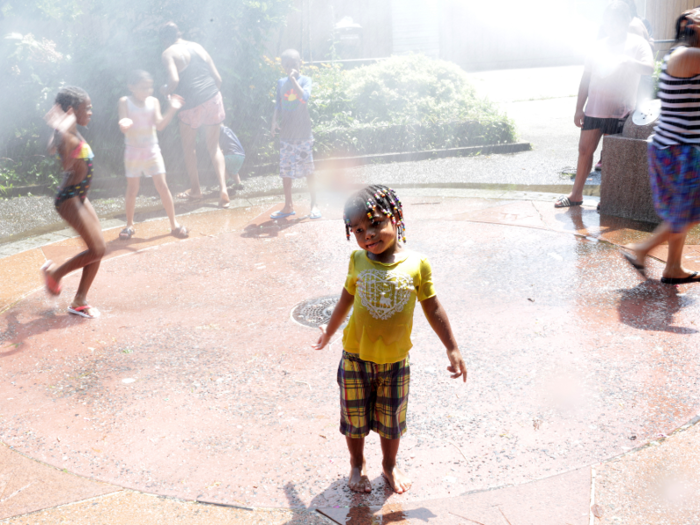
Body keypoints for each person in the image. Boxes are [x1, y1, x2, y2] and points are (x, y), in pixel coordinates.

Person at [312, 185, 467, 494]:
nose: (368, 234)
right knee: (354, 419)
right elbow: (344, 300)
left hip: (396, 362)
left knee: (391, 420)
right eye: (358, 229)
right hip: (355, 357)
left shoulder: (417, 264)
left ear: (396, 218)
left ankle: (389, 465)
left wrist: (452, 348)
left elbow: (433, 306)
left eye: (375, 223)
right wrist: (329, 331)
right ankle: (357, 464)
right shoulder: (357, 260)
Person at [623, 9, 700, 284]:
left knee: (681, 211)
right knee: (689, 211)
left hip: (670, 147)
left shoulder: (681, 53)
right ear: (693, 27)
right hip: (680, 150)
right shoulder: (689, 56)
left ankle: (673, 267)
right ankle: (640, 249)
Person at [555, 0, 653, 208]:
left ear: (626, 21)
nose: (612, 24)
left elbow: (649, 68)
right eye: (608, 20)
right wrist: (578, 108)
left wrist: (628, 61)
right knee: (584, 150)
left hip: (621, 110)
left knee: (611, 157)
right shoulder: (598, 45)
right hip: (595, 108)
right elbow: (586, 78)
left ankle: (607, 199)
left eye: (616, 20)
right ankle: (575, 196)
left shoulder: (637, 43)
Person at [41, 87, 105, 319]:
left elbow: (51, 145)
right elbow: (66, 162)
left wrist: (62, 126)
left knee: (97, 248)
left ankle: (79, 301)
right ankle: (55, 276)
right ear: (71, 110)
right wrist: (62, 129)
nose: (90, 111)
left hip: (79, 196)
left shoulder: (70, 130)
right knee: (98, 249)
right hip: (69, 199)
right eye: (86, 107)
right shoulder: (66, 135)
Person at [159, 22, 230, 208]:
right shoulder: (197, 46)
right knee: (214, 147)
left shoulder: (168, 52)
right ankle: (223, 189)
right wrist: (211, 97)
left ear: (164, 39)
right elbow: (218, 79)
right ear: (179, 33)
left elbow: (174, 80)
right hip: (213, 96)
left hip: (190, 104)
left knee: (189, 148)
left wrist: (164, 90)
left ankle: (196, 191)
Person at [117, 70, 188, 240]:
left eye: (150, 88)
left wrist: (172, 109)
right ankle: (129, 225)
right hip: (133, 151)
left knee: (162, 186)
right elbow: (123, 123)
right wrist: (124, 124)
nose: (147, 91)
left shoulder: (154, 101)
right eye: (143, 88)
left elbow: (160, 125)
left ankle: (174, 225)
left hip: (152, 150)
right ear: (131, 87)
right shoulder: (124, 101)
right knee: (133, 189)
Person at [270, 49, 321, 220]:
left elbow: (304, 97)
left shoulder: (305, 80)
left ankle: (314, 204)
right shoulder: (280, 82)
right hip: (286, 134)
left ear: (300, 63)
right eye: (287, 65)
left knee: (308, 169)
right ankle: (288, 205)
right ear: (283, 66)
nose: (291, 68)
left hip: (303, 134)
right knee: (285, 171)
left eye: (294, 64)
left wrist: (293, 79)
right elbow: (278, 104)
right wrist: (274, 121)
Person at [220, 124, 245, 191]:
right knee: (234, 170)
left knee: (220, 163)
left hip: (230, 155)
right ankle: (239, 183)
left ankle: (227, 179)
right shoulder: (229, 131)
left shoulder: (219, 131)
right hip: (241, 155)